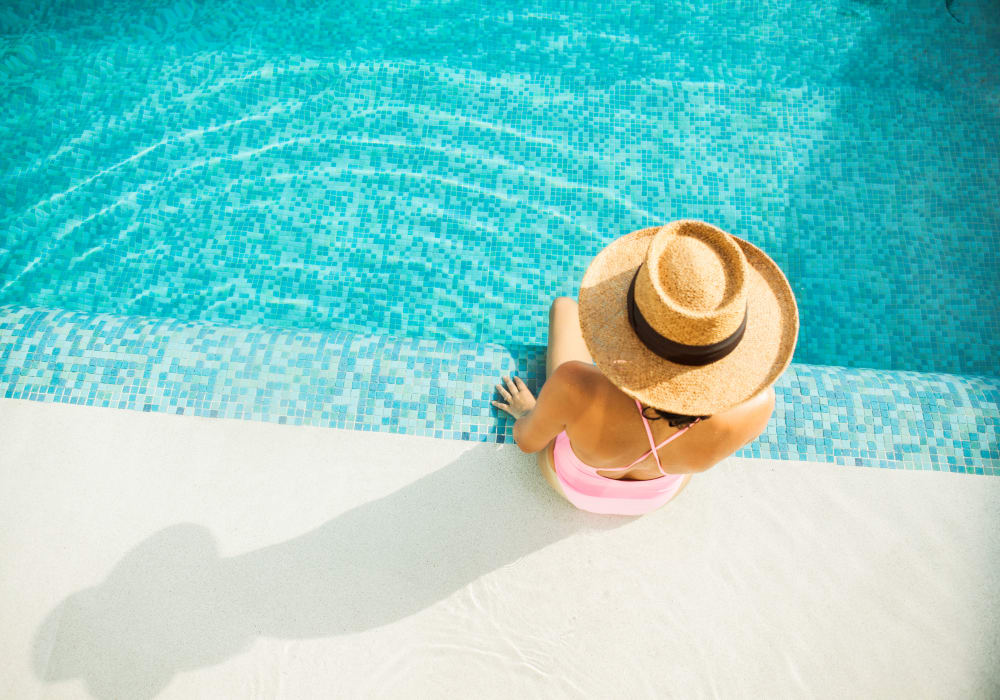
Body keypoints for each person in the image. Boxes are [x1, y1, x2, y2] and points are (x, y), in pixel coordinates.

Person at [492, 220, 799, 516]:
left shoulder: (576, 385)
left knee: (564, 308)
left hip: (578, 488)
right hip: (658, 495)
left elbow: (528, 442)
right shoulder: (759, 405)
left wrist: (527, 411)